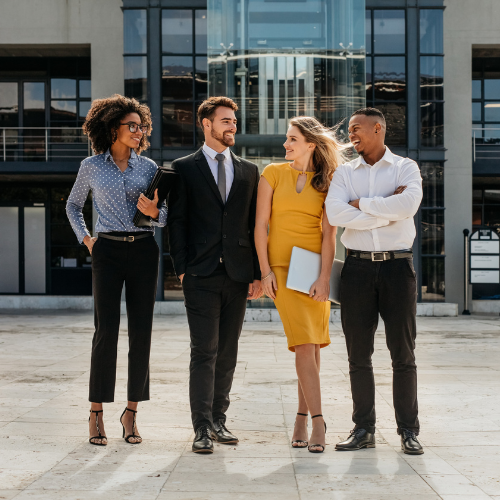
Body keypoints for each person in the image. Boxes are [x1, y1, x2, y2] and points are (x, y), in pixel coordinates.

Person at [66, 94, 166, 446]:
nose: (138, 132)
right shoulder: (91, 166)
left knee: (141, 333)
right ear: (112, 129)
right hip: (106, 251)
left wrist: (156, 215)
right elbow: (73, 205)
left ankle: (131, 413)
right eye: (131, 126)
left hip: (143, 250)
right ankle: (96, 412)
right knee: (105, 331)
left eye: (141, 127)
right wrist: (87, 240)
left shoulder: (150, 168)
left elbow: (166, 213)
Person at [325, 107, 424, 455]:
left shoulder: (405, 168)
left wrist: (363, 205)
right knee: (358, 355)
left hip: (398, 269)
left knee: (403, 354)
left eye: (356, 129)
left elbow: (409, 204)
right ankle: (363, 428)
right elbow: (335, 213)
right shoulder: (344, 173)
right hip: (357, 271)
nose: (350, 135)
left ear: (378, 128)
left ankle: (408, 431)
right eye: (350, 130)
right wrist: (385, 212)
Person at [167, 96, 262, 454]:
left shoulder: (250, 171)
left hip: (237, 275)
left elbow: (254, 226)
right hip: (200, 274)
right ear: (205, 124)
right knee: (203, 350)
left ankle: (219, 418)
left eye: (234, 121)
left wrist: (254, 273)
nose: (232, 126)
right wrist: (182, 268)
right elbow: (176, 222)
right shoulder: (183, 168)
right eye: (225, 121)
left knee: (228, 350)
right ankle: (202, 427)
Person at [255, 116, 346, 453]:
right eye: (286, 139)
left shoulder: (330, 181)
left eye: (293, 139)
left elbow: (330, 235)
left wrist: (324, 278)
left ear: (311, 143)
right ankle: (319, 422)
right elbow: (259, 226)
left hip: (312, 271)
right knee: (304, 343)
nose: (286, 144)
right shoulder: (271, 174)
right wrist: (265, 272)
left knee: (313, 344)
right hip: (280, 269)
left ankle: (300, 418)